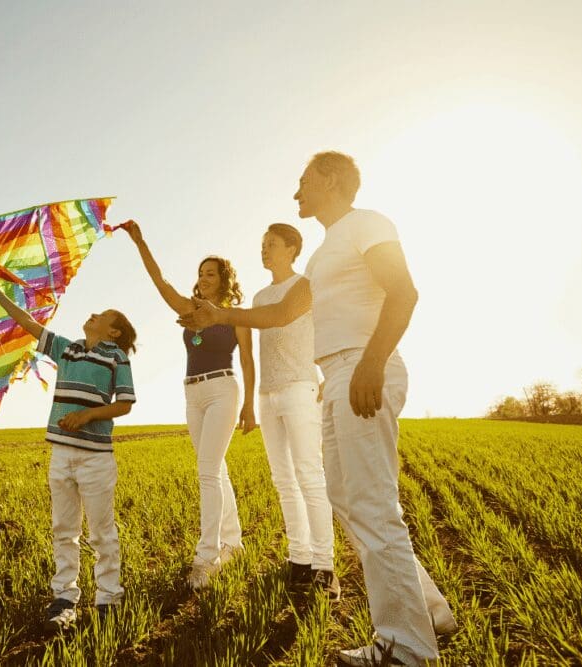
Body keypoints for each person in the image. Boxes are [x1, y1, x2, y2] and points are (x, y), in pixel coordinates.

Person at [179, 152, 456, 666]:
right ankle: (431, 612)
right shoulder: (322, 256)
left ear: (330, 180)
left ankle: (408, 648)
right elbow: (281, 313)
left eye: (303, 182)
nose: (296, 192)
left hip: (362, 367)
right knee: (347, 499)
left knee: (372, 504)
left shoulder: (367, 225)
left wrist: (371, 363)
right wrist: (219, 313)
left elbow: (404, 291)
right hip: (338, 375)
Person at [0, 275, 137, 631]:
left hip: (96, 459)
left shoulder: (116, 358)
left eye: (103, 315)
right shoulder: (66, 348)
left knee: (101, 531)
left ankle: (109, 597)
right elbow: (28, 324)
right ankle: (64, 598)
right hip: (61, 456)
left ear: (114, 332)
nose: (93, 314)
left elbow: (126, 404)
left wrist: (87, 415)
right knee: (63, 529)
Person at [122, 221, 256, 590]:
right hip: (192, 393)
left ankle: (207, 557)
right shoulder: (190, 307)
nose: (204, 278)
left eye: (211, 273)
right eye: (201, 273)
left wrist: (250, 407)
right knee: (216, 469)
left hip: (223, 390)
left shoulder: (234, 315)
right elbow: (160, 281)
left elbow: (247, 360)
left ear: (224, 279)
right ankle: (233, 542)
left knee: (207, 472)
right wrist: (140, 241)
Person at [254, 223, 338, 596]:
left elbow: (325, 327)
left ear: (291, 248)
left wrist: (325, 373)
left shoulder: (306, 286)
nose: (264, 250)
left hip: (301, 387)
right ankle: (299, 559)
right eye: (262, 245)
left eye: (271, 244)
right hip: (267, 394)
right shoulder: (258, 297)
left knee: (309, 475)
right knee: (283, 480)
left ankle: (325, 566)